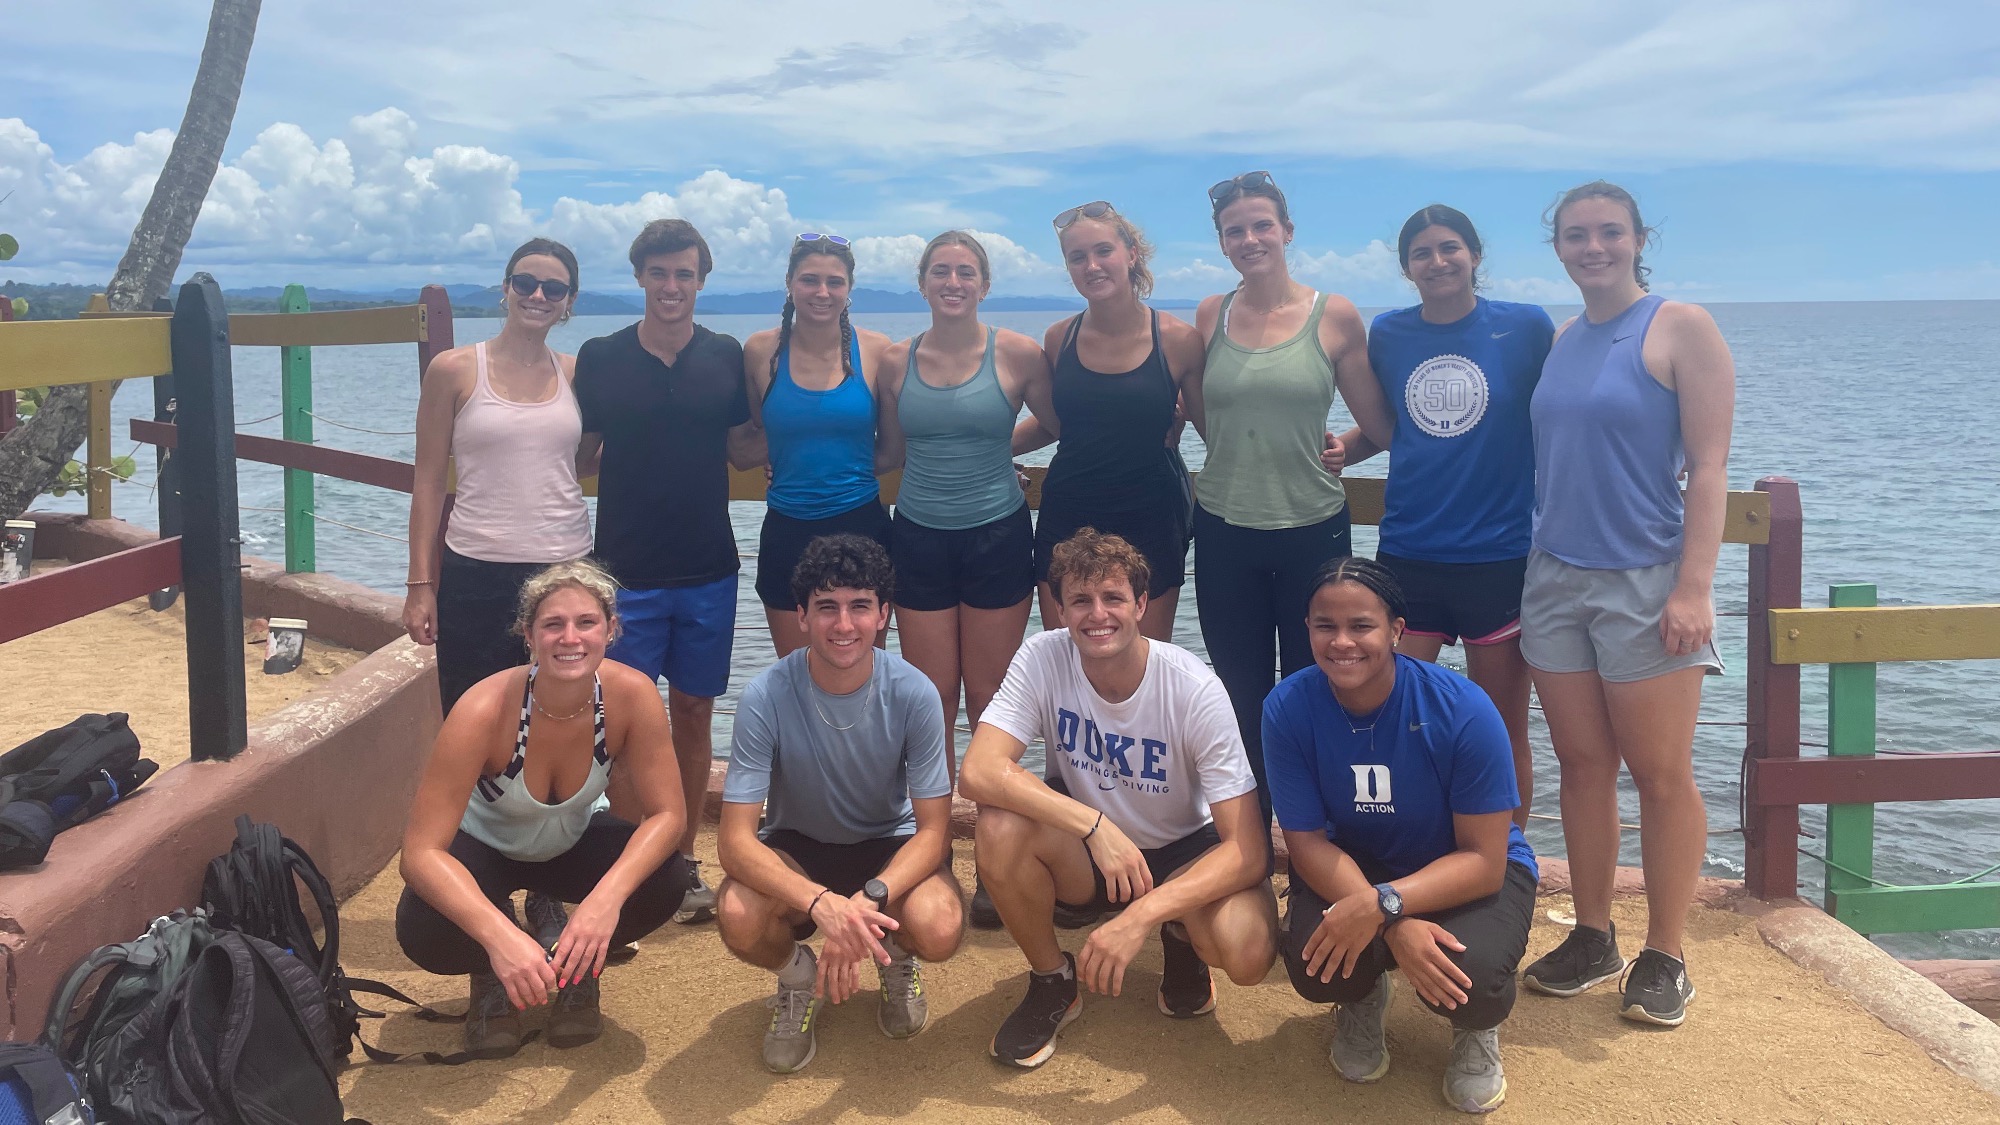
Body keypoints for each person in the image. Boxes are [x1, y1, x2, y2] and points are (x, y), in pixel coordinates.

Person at [1517, 181, 1735, 1028]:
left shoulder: (1682, 326)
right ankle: (1595, 933)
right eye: (1576, 234)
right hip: (1554, 577)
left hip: (1646, 577)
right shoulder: (1565, 337)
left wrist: (1694, 585)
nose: (1593, 246)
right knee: (1581, 765)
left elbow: (1710, 467)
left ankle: (1667, 949)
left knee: (1661, 771)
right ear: (1560, 246)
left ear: (1639, 237)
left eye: (1609, 232)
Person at [961, 529, 1278, 1070]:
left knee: (1246, 952)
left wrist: (1144, 917)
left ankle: (1179, 934)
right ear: (1058, 609)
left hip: (1184, 849)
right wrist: (1093, 827)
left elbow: (1247, 848)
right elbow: (979, 771)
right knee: (998, 826)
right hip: (1094, 854)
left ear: (1142, 604)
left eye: (1113, 598)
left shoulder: (1193, 687)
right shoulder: (1043, 657)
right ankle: (1053, 980)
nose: (1097, 614)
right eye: (1080, 600)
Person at [1265, 557, 1536, 1114]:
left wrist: (1385, 907)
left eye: (1361, 625)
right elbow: (1309, 844)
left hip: (1459, 869)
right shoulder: (1287, 708)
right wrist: (1394, 926)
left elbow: (1484, 859)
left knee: (1473, 975)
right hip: (1357, 862)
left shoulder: (1462, 709)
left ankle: (1475, 1030)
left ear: (1396, 629)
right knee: (1315, 966)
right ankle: (1361, 995)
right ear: (1307, 629)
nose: (1342, 642)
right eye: (1325, 626)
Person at [396, 560, 690, 1059]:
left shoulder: (632, 695)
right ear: (528, 635)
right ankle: (493, 973)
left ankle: (578, 966)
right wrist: (498, 937)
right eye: (553, 624)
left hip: (569, 844)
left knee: (666, 876)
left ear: (611, 630)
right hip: (484, 852)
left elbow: (668, 815)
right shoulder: (483, 709)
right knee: (424, 925)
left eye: (586, 623)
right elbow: (420, 852)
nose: (569, 638)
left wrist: (603, 903)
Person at [1328, 204, 1554, 828]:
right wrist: (1346, 447)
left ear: (1475, 255)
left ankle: (1508, 868)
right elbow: (1391, 425)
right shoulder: (1392, 333)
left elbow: (1572, 406)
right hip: (1409, 551)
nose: (1438, 261)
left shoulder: (1527, 327)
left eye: (1450, 248)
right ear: (1406, 267)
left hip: (1501, 555)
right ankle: (1404, 848)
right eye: (1422, 253)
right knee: (1390, 716)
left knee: (1501, 728)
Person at [1188, 171, 1395, 830]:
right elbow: (1200, 409)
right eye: (1234, 231)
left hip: (1313, 531)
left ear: (1286, 232)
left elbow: (1382, 423)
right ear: (1222, 243)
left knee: (1320, 692)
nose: (1249, 239)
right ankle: (1250, 853)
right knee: (1241, 698)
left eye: (1260, 226)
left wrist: (1345, 452)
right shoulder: (1208, 314)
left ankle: (1318, 852)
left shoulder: (1331, 315)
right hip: (1224, 529)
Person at [714, 534, 963, 1074]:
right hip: (798, 846)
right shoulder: (765, 695)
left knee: (940, 926)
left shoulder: (915, 692)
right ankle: (797, 976)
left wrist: (868, 901)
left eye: (860, 607)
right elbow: (734, 842)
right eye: (827, 607)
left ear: (885, 615)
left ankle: (895, 960)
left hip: (888, 846)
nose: (844, 625)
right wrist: (823, 904)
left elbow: (933, 831)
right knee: (737, 912)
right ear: (801, 615)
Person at [576, 219, 758, 928]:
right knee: (622, 723)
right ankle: (628, 869)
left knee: (692, 714)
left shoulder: (725, 356)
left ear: (701, 280)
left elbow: (746, 447)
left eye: (684, 274)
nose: (672, 287)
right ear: (640, 277)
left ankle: (680, 862)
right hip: (623, 570)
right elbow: (579, 453)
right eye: (659, 273)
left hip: (708, 563)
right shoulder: (602, 355)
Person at [877, 230, 1057, 742]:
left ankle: (992, 820)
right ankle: (936, 821)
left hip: (996, 535)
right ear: (922, 283)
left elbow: (1056, 423)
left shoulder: (1019, 354)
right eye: (941, 271)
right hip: (917, 536)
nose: (953, 282)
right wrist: (796, 464)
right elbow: (890, 452)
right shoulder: (895, 362)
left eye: (965, 272)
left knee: (990, 696)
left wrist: (1001, 449)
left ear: (984, 285)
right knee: (931, 696)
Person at [404, 238, 592, 714]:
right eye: (526, 283)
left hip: (566, 568)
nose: (538, 296)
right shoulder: (453, 370)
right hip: (476, 569)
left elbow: (603, 455)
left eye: (554, 289)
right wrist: (421, 584)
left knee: (561, 715)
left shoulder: (579, 375)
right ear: (505, 289)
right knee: (473, 714)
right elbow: (427, 481)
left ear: (569, 302)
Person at [1017, 202, 1206, 642]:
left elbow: (1214, 428)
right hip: (1068, 510)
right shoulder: (1058, 338)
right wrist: (985, 454)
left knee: (1146, 666)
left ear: (1132, 254)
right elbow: (1055, 422)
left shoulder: (1179, 341)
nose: (1092, 265)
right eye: (1077, 257)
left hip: (1152, 515)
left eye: (1103, 251)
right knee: (1064, 662)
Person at [744, 234, 897, 657]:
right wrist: (783, 461)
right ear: (790, 283)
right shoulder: (761, 351)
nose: (822, 292)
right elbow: (749, 439)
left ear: (850, 289)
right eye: (810, 279)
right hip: (786, 530)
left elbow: (892, 450)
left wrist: (841, 473)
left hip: (862, 526)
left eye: (835, 281)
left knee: (864, 671)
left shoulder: (878, 350)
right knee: (796, 677)